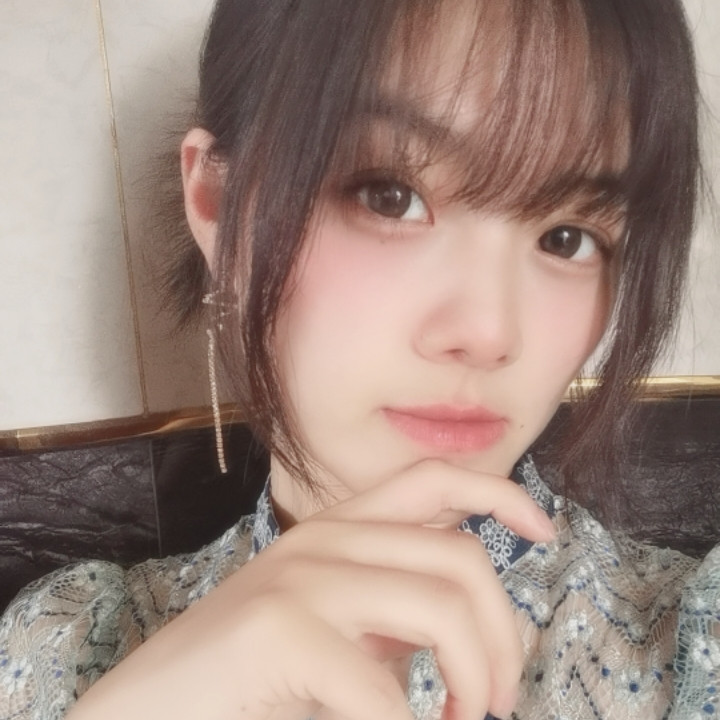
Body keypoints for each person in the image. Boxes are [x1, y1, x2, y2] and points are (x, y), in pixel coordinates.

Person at [1, 0, 718, 718]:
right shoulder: (70, 656)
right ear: (218, 200)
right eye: (390, 196)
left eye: (567, 237)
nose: (489, 331)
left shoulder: (691, 643)